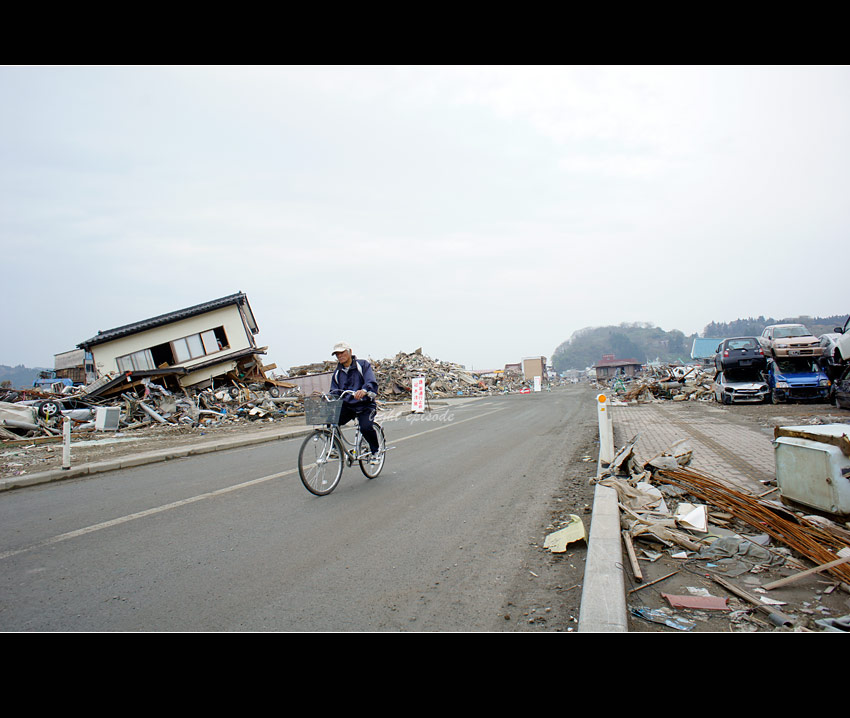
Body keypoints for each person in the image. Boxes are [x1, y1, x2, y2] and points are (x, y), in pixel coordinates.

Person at [329, 342, 381, 458]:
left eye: (342, 353)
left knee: (366, 427)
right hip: (348, 405)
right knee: (331, 420)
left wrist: (364, 390)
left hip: (365, 405)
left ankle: (375, 451)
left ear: (350, 352)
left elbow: (370, 381)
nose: (339, 356)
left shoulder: (362, 365)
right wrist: (330, 398)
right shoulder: (338, 372)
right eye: (337, 354)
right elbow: (334, 390)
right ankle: (335, 448)